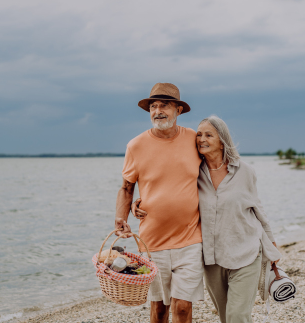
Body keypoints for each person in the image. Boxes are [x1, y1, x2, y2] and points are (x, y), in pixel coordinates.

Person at [133, 115, 282, 323]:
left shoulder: (244, 171)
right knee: (224, 316)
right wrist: (139, 203)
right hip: (213, 259)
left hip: (246, 253)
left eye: (208, 135)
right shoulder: (194, 172)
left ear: (222, 141)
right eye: (199, 134)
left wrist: (272, 244)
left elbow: (258, 210)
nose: (201, 139)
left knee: (237, 316)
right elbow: (168, 192)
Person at [115, 82, 205, 323]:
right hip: (152, 241)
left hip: (191, 239)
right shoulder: (135, 146)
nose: (157, 111)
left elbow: (213, 174)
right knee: (159, 309)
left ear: (178, 110)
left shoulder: (194, 140)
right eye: (153, 106)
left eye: (164, 105)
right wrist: (122, 218)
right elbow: (127, 187)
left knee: (184, 306)